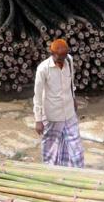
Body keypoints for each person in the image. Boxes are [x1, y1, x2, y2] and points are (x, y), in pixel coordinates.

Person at [33, 39, 84, 168]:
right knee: (51, 147)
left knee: (76, 147)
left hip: (69, 112)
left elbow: (71, 81)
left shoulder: (69, 61)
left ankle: (77, 170)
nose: (63, 59)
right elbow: (37, 96)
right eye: (60, 57)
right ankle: (51, 170)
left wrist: (73, 98)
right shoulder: (43, 69)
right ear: (53, 54)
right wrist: (38, 120)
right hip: (52, 114)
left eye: (65, 55)